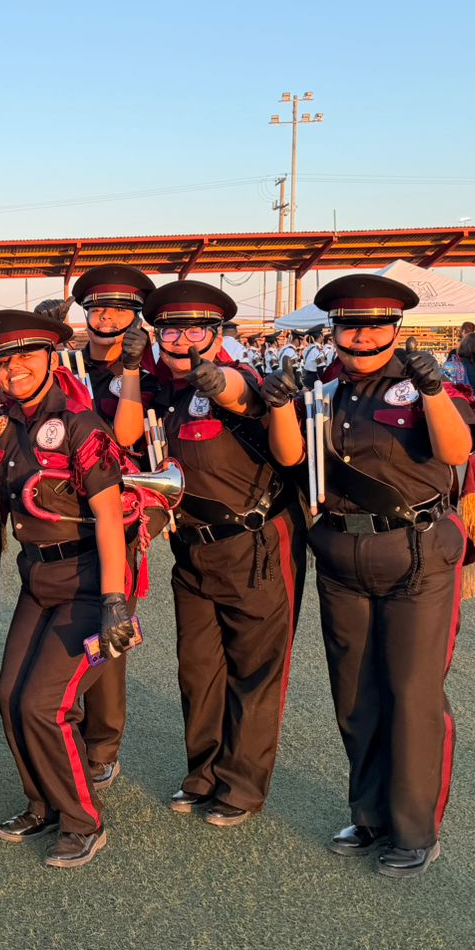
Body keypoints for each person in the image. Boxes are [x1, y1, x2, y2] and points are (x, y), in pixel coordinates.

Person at [264, 274, 475, 877]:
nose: (361, 335)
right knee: (354, 693)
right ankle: (369, 814)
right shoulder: (321, 389)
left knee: (411, 693)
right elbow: (290, 457)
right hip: (340, 553)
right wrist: (281, 403)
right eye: (349, 325)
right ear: (332, 330)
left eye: (375, 325)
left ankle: (414, 829)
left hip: (414, 553)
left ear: (395, 329)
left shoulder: (419, 387)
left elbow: (457, 451)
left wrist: (433, 388)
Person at [0, 310, 130, 869]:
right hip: (37, 578)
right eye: (6, 359)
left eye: (28, 355)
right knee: (10, 698)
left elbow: (108, 517)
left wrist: (115, 601)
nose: (16, 367)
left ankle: (84, 819)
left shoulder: (80, 423)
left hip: (85, 582)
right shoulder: (1, 418)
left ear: (54, 359)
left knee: (44, 705)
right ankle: (43, 803)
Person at [125, 281, 305, 828]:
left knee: (254, 673)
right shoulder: (170, 393)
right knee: (198, 671)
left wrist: (214, 377)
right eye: (170, 330)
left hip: (253, 548)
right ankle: (202, 774)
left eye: (195, 329)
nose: (181, 340)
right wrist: (133, 370)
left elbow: (238, 393)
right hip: (193, 551)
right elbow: (134, 437)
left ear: (217, 333)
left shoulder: (243, 376)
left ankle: (242, 786)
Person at [68, 264, 160, 791]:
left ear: (135, 318)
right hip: (66, 511)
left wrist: (129, 368)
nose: (105, 317)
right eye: (97, 309)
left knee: (111, 629)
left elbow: (125, 436)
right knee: (68, 625)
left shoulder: (141, 368)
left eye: (119, 310)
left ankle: (104, 743)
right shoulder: (68, 362)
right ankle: (70, 721)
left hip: (119, 513)